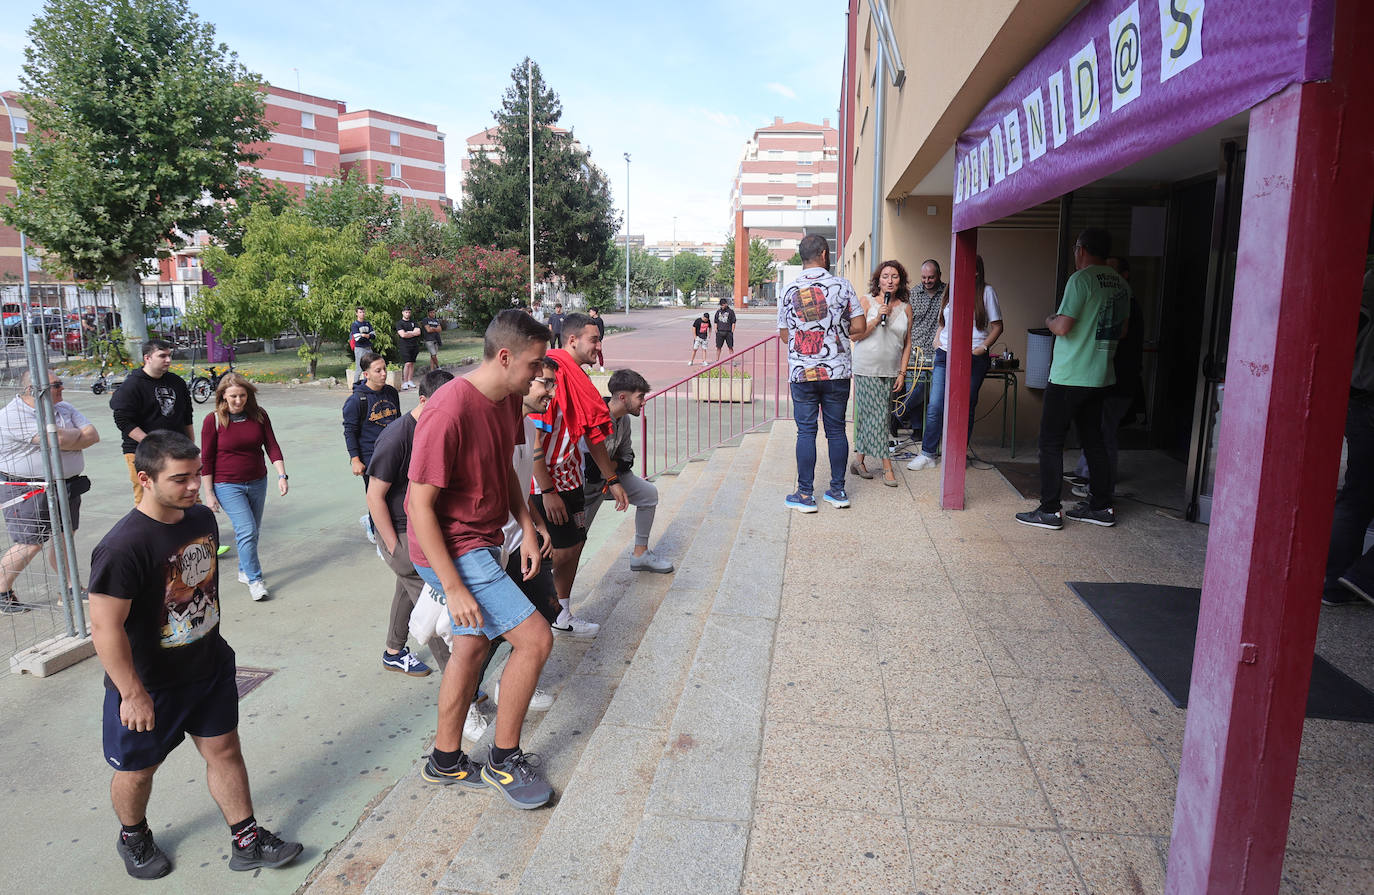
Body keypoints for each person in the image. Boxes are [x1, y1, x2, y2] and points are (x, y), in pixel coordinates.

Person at [88, 431, 302, 880]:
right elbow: (105, 627)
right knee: (140, 768)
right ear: (144, 479)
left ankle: (246, 839)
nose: (193, 486)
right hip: (149, 685)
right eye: (180, 479)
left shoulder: (200, 518)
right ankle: (133, 834)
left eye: (197, 474)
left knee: (225, 749)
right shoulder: (122, 547)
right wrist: (132, 693)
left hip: (208, 667)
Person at [410, 309, 556, 810]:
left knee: (471, 647)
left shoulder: (507, 402)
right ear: (504, 356)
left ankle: (445, 761)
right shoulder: (448, 409)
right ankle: (503, 760)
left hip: (484, 536)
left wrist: (529, 527)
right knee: (535, 640)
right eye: (535, 365)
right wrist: (452, 586)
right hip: (450, 545)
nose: (541, 376)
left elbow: (506, 472)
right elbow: (418, 508)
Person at [1015, 228, 1130, 530]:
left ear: (1080, 250)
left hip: (1069, 375)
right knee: (1094, 442)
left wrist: (1049, 320)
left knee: (1051, 442)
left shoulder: (1080, 280)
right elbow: (1123, 331)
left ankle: (1050, 510)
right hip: (1101, 375)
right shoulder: (1120, 282)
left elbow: (1063, 327)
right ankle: (1101, 506)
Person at [531, 312, 629, 638]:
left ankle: (562, 612)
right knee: (554, 551)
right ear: (572, 340)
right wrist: (547, 490)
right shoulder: (551, 377)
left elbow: (592, 434)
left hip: (572, 477)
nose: (599, 347)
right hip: (546, 483)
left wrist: (612, 479)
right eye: (594, 340)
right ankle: (539, 612)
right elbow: (534, 443)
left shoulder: (578, 379)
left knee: (575, 546)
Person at [367, 369, 456, 675]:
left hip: (424, 522)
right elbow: (374, 496)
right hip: (399, 527)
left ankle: (393, 651)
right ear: (422, 400)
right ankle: (461, 684)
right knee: (432, 598)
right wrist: (394, 547)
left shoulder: (439, 429)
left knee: (407, 586)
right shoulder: (396, 437)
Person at [778, 234, 865, 512]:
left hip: (802, 373)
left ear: (802, 257)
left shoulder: (789, 290)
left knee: (805, 431)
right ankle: (837, 492)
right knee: (836, 431)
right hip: (836, 370)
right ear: (825, 255)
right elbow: (860, 327)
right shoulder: (843, 285)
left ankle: (805, 496)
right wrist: (837, 331)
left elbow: (784, 335)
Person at [0, 371, 98, 614]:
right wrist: (74, 438)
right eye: (56, 385)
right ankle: (2, 591)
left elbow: (92, 435)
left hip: (65, 484)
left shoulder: (63, 407)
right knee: (30, 543)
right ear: (35, 390)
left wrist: (67, 438)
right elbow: (53, 440)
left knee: (65, 537)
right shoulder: (13, 415)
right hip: (28, 488)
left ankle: (69, 588)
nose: (62, 388)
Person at [909, 254, 1004, 470]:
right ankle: (928, 453)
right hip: (944, 353)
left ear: (977, 271)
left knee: (966, 405)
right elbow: (944, 320)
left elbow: (998, 326)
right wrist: (937, 338)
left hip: (973, 355)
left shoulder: (986, 292)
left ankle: (957, 455)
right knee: (935, 405)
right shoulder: (950, 289)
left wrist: (984, 347)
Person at [200, 373, 286, 602]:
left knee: (252, 531)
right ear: (223, 397)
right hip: (227, 484)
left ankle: (243, 570)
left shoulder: (259, 415)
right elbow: (206, 460)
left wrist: (282, 475)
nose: (238, 401)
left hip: (258, 480)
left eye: (242, 395)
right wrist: (209, 494)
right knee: (246, 529)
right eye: (233, 396)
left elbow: (272, 446)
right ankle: (255, 580)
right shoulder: (213, 420)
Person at [582, 369, 675, 571]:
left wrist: (610, 467)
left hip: (611, 479)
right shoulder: (596, 416)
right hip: (586, 487)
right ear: (623, 397)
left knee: (648, 493)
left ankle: (640, 555)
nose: (643, 402)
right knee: (575, 539)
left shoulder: (623, 419)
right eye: (640, 397)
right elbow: (590, 468)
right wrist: (610, 468)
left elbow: (628, 458)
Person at [1068, 256, 1142, 500]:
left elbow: (1120, 336)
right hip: (1106, 377)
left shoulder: (1124, 300)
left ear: (1125, 276)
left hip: (1119, 380)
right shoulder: (1120, 299)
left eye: (1112, 272)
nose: (1107, 278)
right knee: (1096, 427)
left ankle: (1100, 487)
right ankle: (1086, 472)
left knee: (1104, 431)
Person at [1322, 269, 1374, 607]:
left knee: (1357, 494)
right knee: (1357, 495)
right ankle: (1364, 575)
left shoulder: (1367, 280)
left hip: (1360, 399)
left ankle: (1335, 582)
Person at [850, 261, 912, 487]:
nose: (890, 280)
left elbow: (907, 343)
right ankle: (887, 466)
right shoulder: (866, 301)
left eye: (894, 276)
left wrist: (902, 372)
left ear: (900, 281)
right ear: (878, 280)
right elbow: (854, 336)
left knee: (876, 416)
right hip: (866, 368)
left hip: (891, 370)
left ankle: (859, 461)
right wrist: (876, 319)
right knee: (878, 417)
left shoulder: (906, 307)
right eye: (885, 276)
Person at [110, 339, 194, 505]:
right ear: (147, 358)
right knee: (148, 499)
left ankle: (192, 530)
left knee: (187, 494)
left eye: (169, 355)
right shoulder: (132, 385)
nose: (168, 360)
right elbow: (123, 420)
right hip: (142, 451)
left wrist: (190, 445)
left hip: (177, 450)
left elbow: (187, 415)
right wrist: (152, 443)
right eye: (162, 356)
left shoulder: (176, 382)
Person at [343, 352, 400, 544]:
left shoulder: (391, 392)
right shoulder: (356, 401)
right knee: (377, 497)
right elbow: (350, 431)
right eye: (378, 370)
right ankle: (378, 533)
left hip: (394, 453)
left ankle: (379, 524)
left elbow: (398, 421)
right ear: (366, 374)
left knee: (397, 493)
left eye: (385, 369)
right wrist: (355, 459)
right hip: (371, 458)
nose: (384, 373)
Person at [893, 261, 947, 444]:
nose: (927, 281)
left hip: (937, 349)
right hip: (914, 348)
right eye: (924, 277)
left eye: (931, 277)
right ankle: (916, 429)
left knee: (925, 390)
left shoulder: (948, 292)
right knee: (913, 387)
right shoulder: (914, 293)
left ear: (939, 274)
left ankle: (897, 414)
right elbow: (905, 321)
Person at [396, 307, 423, 390]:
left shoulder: (413, 322)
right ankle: (405, 382)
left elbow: (418, 332)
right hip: (404, 345)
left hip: (414, 345)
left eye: (409, 312)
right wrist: (412, 333)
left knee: (412, 363)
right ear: (403, 313)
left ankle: (410, 380)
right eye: (406, 312)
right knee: (407, 363)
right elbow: (403, 335)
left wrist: (409, 333)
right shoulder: (399, 323)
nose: (408, 314)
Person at [714, 298, 738, 362]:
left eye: (723, 305)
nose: (722, 306)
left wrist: (732, 331)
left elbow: (733, 322)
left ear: (726, 304)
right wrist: (716, 330)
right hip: (720, 332)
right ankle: (717, 360)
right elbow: (715, 321)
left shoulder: (731, 312)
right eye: (721, 305)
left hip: (728, 332)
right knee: (718, 347)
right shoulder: (718, 312)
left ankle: (733, 360)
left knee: (730, 347)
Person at [588, 306, 607, 371]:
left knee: (599, 353)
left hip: (597, 339)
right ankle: (590, 367)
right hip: (591, 339)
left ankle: (601, 366)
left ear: (594, 312)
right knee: (591, 353)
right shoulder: (590, 320)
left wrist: (600, 340)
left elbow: (601, 331)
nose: (589, 313)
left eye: (590, 312)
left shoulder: (599, 320)